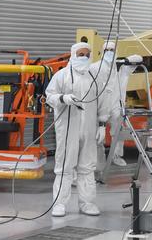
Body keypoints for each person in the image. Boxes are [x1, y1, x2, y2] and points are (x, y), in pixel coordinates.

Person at [45, 42, 107, 217]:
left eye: (87, 55)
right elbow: (49, 96)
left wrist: (102, 124)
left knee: (87, 166)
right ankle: (59, 203)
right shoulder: (62, 75)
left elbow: (103, 102)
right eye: (80, 54)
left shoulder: (94, 78)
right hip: (67, 128)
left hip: (88, 129)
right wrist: (63, 98)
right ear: (72, 55)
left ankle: (87, 203)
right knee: (64, 165)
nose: (84, 58)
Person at [93, 41, 129, 169]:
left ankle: (116, 156)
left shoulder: (122, 68)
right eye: (107, 50)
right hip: (99, 106)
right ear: (102, 52)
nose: (109, 52)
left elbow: (138, 59)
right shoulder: (95, 67)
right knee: (97, 135)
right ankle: (99, 160)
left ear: (116, 51)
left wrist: (128, 60)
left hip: (115, 106)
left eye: (112, 50)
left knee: (118, 132)